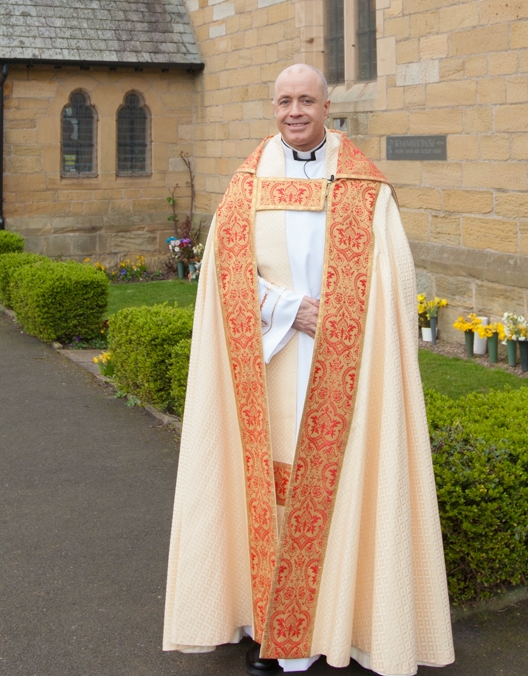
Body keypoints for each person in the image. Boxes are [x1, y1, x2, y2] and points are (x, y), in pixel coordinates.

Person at [163, 64, 455, 676]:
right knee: (266, 489)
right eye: (283, 101)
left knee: (341, 484)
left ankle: (339, 624)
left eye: (306, 100)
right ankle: (267, 628)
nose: (295, 111)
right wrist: (291, 310)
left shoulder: (360, 183)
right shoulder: (246, 183)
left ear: (327, 105)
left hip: (341, 363)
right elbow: (224, 271)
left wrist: (347, 315)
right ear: (273, 108)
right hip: (267, 357)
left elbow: (391, 276)